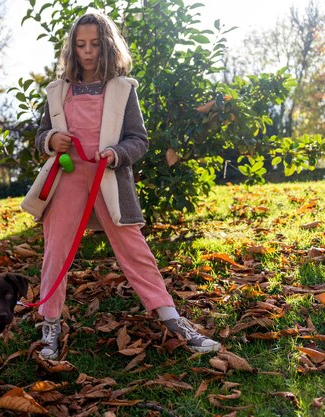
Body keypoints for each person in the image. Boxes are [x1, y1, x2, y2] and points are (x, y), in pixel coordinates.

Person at [20, 11, 221, 359]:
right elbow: (40, 136)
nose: (87, 51)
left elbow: (138, 140)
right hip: (66, 178)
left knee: (133, 248)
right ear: (71, 48)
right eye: (80, 44)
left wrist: (115, 153)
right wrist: (52, 140)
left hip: (108, 178)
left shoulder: (123, 90)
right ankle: (50, 323)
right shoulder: (58, 91)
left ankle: (172, 318)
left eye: (95, 44)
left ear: (107, 46)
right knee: (56, 250)